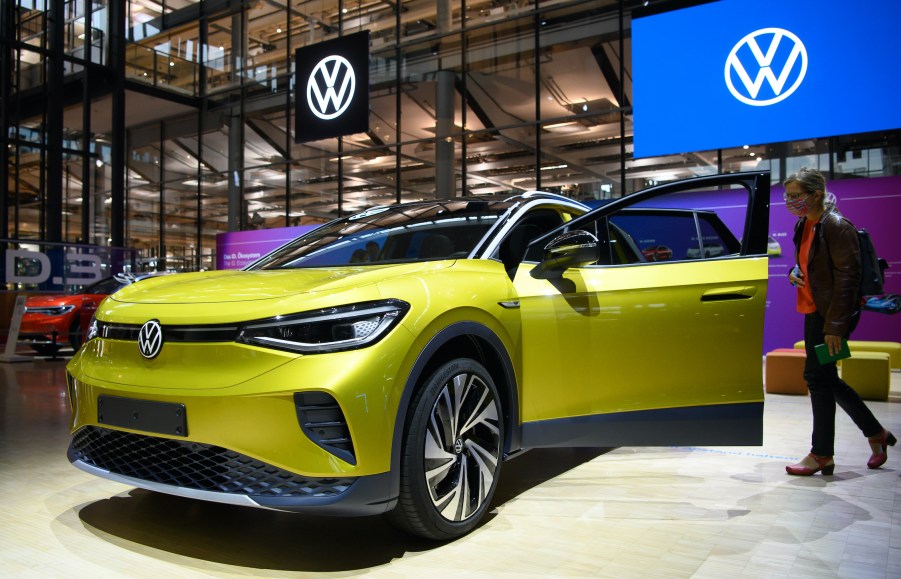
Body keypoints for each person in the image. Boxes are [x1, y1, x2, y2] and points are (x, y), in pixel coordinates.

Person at [784, 167, 894, 476]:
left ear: (816, 194)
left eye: (796, 196)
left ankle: (822, 454)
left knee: (818, 378)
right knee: (825, 378)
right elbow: (806, 264)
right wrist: (792, 273)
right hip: (813, 309)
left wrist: (835, 326)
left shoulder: (836, 226)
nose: (790, 202)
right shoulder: (804, 224)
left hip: (832, 314)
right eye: (788, 196)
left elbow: (848, 279)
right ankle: (876, 434)